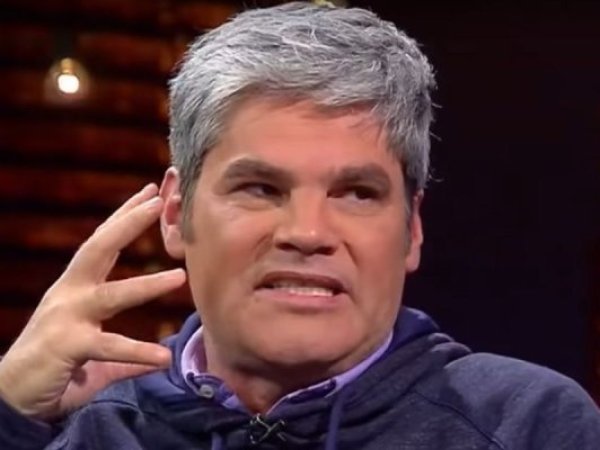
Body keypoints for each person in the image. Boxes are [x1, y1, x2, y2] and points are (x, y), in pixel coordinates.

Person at [0, 2, 599, 449]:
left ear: (412, 230)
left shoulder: (527, 425)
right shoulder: (86, 428)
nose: (308, 233)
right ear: (177, 214)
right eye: (261, 188)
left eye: (357, 193)